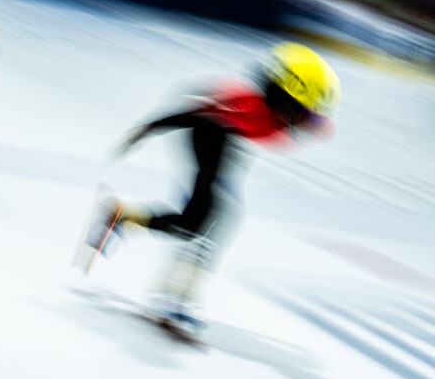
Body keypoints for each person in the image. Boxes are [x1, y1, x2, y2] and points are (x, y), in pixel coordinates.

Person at [83, 42, 341, 337]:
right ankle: (169, 296)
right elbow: (192, 114)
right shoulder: (248, 107)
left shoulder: (271, 114)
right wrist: (147, 129)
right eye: (301, 114)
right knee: (201, 220)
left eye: (309, 118)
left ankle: (125, 222)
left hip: (225, 134)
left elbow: (314, 122)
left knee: (204, 220)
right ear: (283, 98)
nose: (302, 124)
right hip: (207, 131)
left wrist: (311, 116)